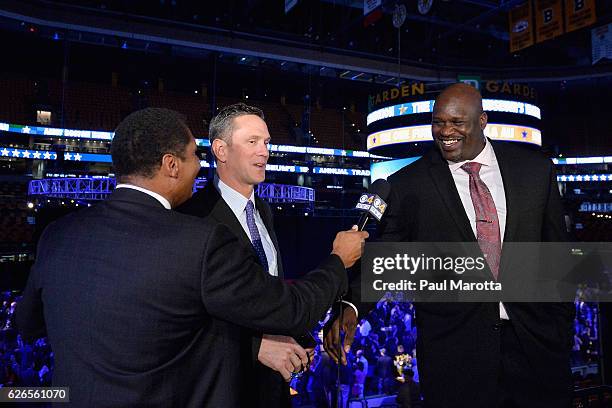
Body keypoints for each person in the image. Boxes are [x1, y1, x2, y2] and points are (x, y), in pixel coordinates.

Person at [15, 108, 368, 407]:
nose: (199, 167)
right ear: (172, 164)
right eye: (194, 156)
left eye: (267, 142)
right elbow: (286, 307)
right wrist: (338, 260)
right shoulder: (195, 234)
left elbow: (29, 324)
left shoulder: (57, 235)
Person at [325, 83, 574, 408]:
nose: (445, 131)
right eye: (439, 122)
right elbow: (383, 260)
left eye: (457, 122)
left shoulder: (534, 171)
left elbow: (557, 257)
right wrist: (352, 307)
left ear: (482, 120)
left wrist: (561, 330)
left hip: (536, 351)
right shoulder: (407, 185)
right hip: (456, 360)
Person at [177, 102, 319, 406]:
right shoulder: (193, 217)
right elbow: (182, 313)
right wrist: (254, 346)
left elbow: (267, 296)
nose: (264, 152)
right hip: (222, 392)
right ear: (221, 150)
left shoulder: (264, 212)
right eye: (252, 142)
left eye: (266, 142)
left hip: (271, 391)